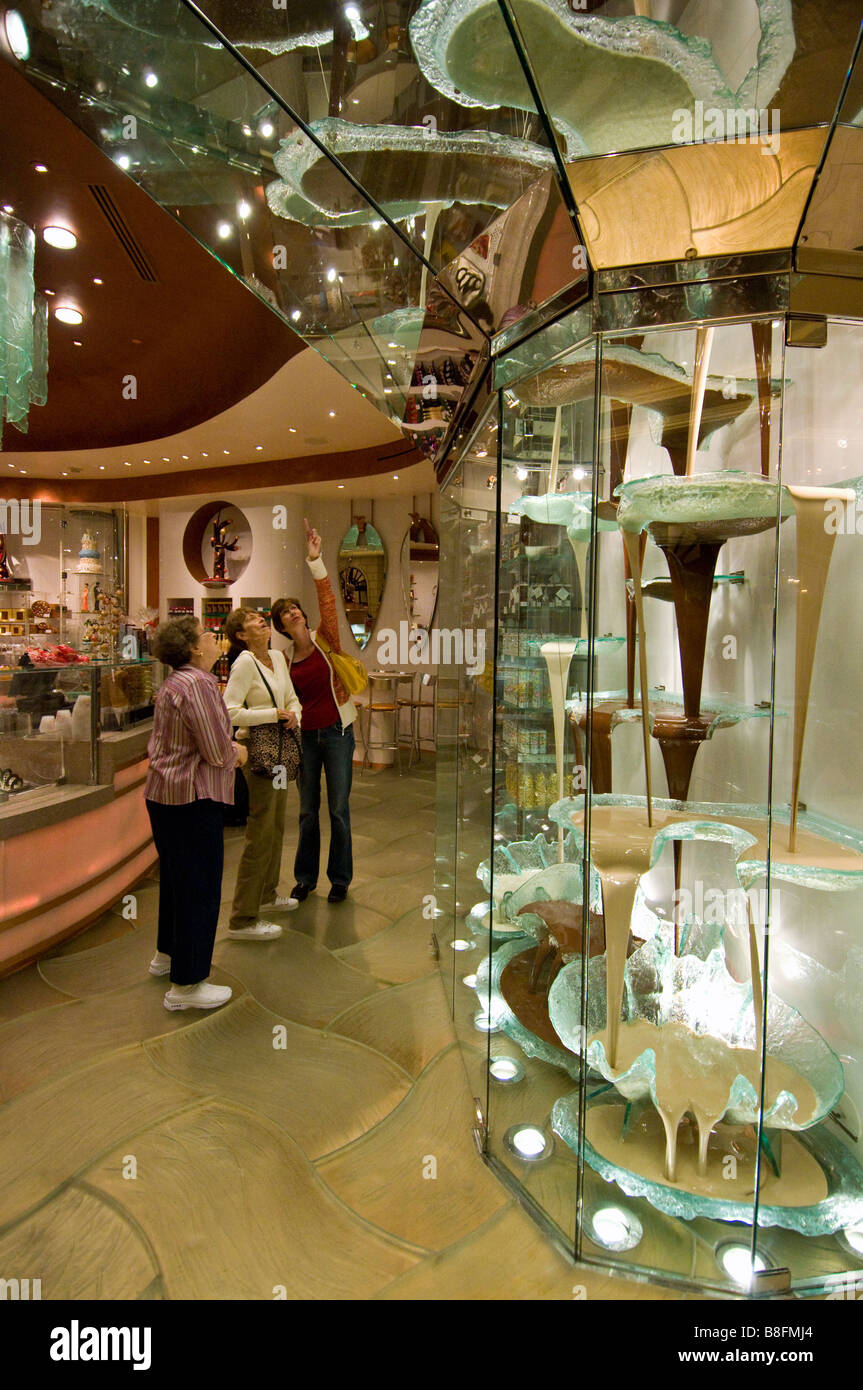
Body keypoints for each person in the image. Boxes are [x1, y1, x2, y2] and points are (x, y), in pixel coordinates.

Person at [145, 617, 247, 1012]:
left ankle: (167, 955)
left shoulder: (174, 682)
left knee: (175, 881)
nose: (212, 637)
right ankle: (186, 985)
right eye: (206, 634)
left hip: (164, 795)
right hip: (192, 797)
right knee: (200, 887)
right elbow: (216, 750)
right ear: (193, 648)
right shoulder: (199, 683)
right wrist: (237, 752)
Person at [271, 519, 358, 904]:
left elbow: (327, 597)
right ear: (282, 627)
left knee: (338, 809)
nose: (293, 613)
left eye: (295, 608)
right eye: (285, 613)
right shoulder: (284, 661)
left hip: (338, 734)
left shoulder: (326, 639)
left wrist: (315, 559)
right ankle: (305, 878)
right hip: (306, 740)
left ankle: (339, 879)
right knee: (308, 813)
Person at [222, 607, 303, 937]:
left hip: (282, 754)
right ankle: (242, 917)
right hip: (259, 756)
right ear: (241, 635)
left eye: (260, 617)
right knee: (260, 832)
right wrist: (272, 713)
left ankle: (268, 894)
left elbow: (292, 697)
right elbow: (229, 712)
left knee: (276, 827)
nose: (261, 621)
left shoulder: (278, 658)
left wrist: (294, 713)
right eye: (253, 620)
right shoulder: (244, 662)